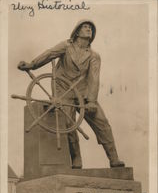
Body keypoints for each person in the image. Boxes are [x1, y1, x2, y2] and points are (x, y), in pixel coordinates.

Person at [18, 19, 125, 169]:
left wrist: (92, 101)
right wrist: (32, 65)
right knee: (69, 125)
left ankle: (114, 158)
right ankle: (76, 159)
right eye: (85, 27)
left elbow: (94, 79)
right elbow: (49, 54)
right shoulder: (66, 46)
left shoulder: (94, 56)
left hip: (83, 93)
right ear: (77, 32)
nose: (89, 29)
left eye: (91, 28)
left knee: (102, 123)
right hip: (63, 88)